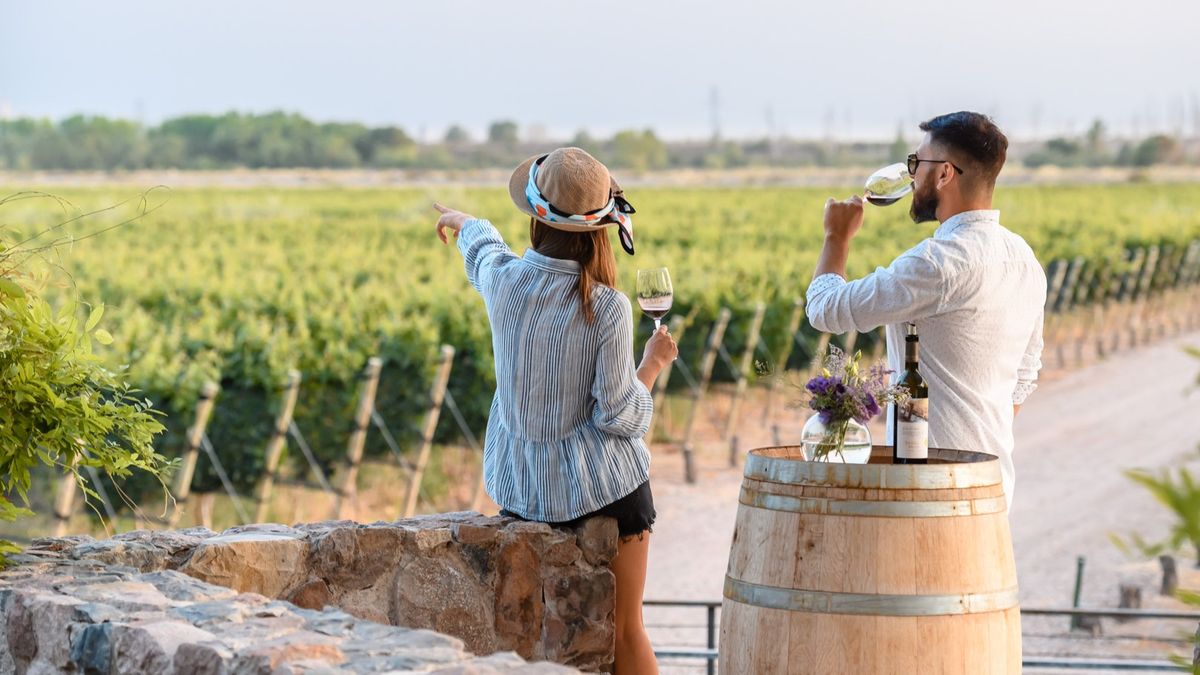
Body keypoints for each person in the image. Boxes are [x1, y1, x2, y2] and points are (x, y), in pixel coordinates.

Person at [434, 147, 676, 674]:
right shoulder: (606, 307)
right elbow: (618, 415)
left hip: (526, 492)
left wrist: (461, 221)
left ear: (536, 217)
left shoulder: (504, 282)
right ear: (601, 228)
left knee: (537, 642)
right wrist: (652, 366)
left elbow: (482, 249)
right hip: (605, 494)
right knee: (627, 631)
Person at [805, 111, 1046, 505]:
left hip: (929, 488)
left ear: (945, 174)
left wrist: (836, 237)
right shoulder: (1023, 258)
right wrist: (974, 437)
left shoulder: (935, 263)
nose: (911, 175)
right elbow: (1025, 375)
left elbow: (825, 308)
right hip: (993, 480)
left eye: (916, 163)